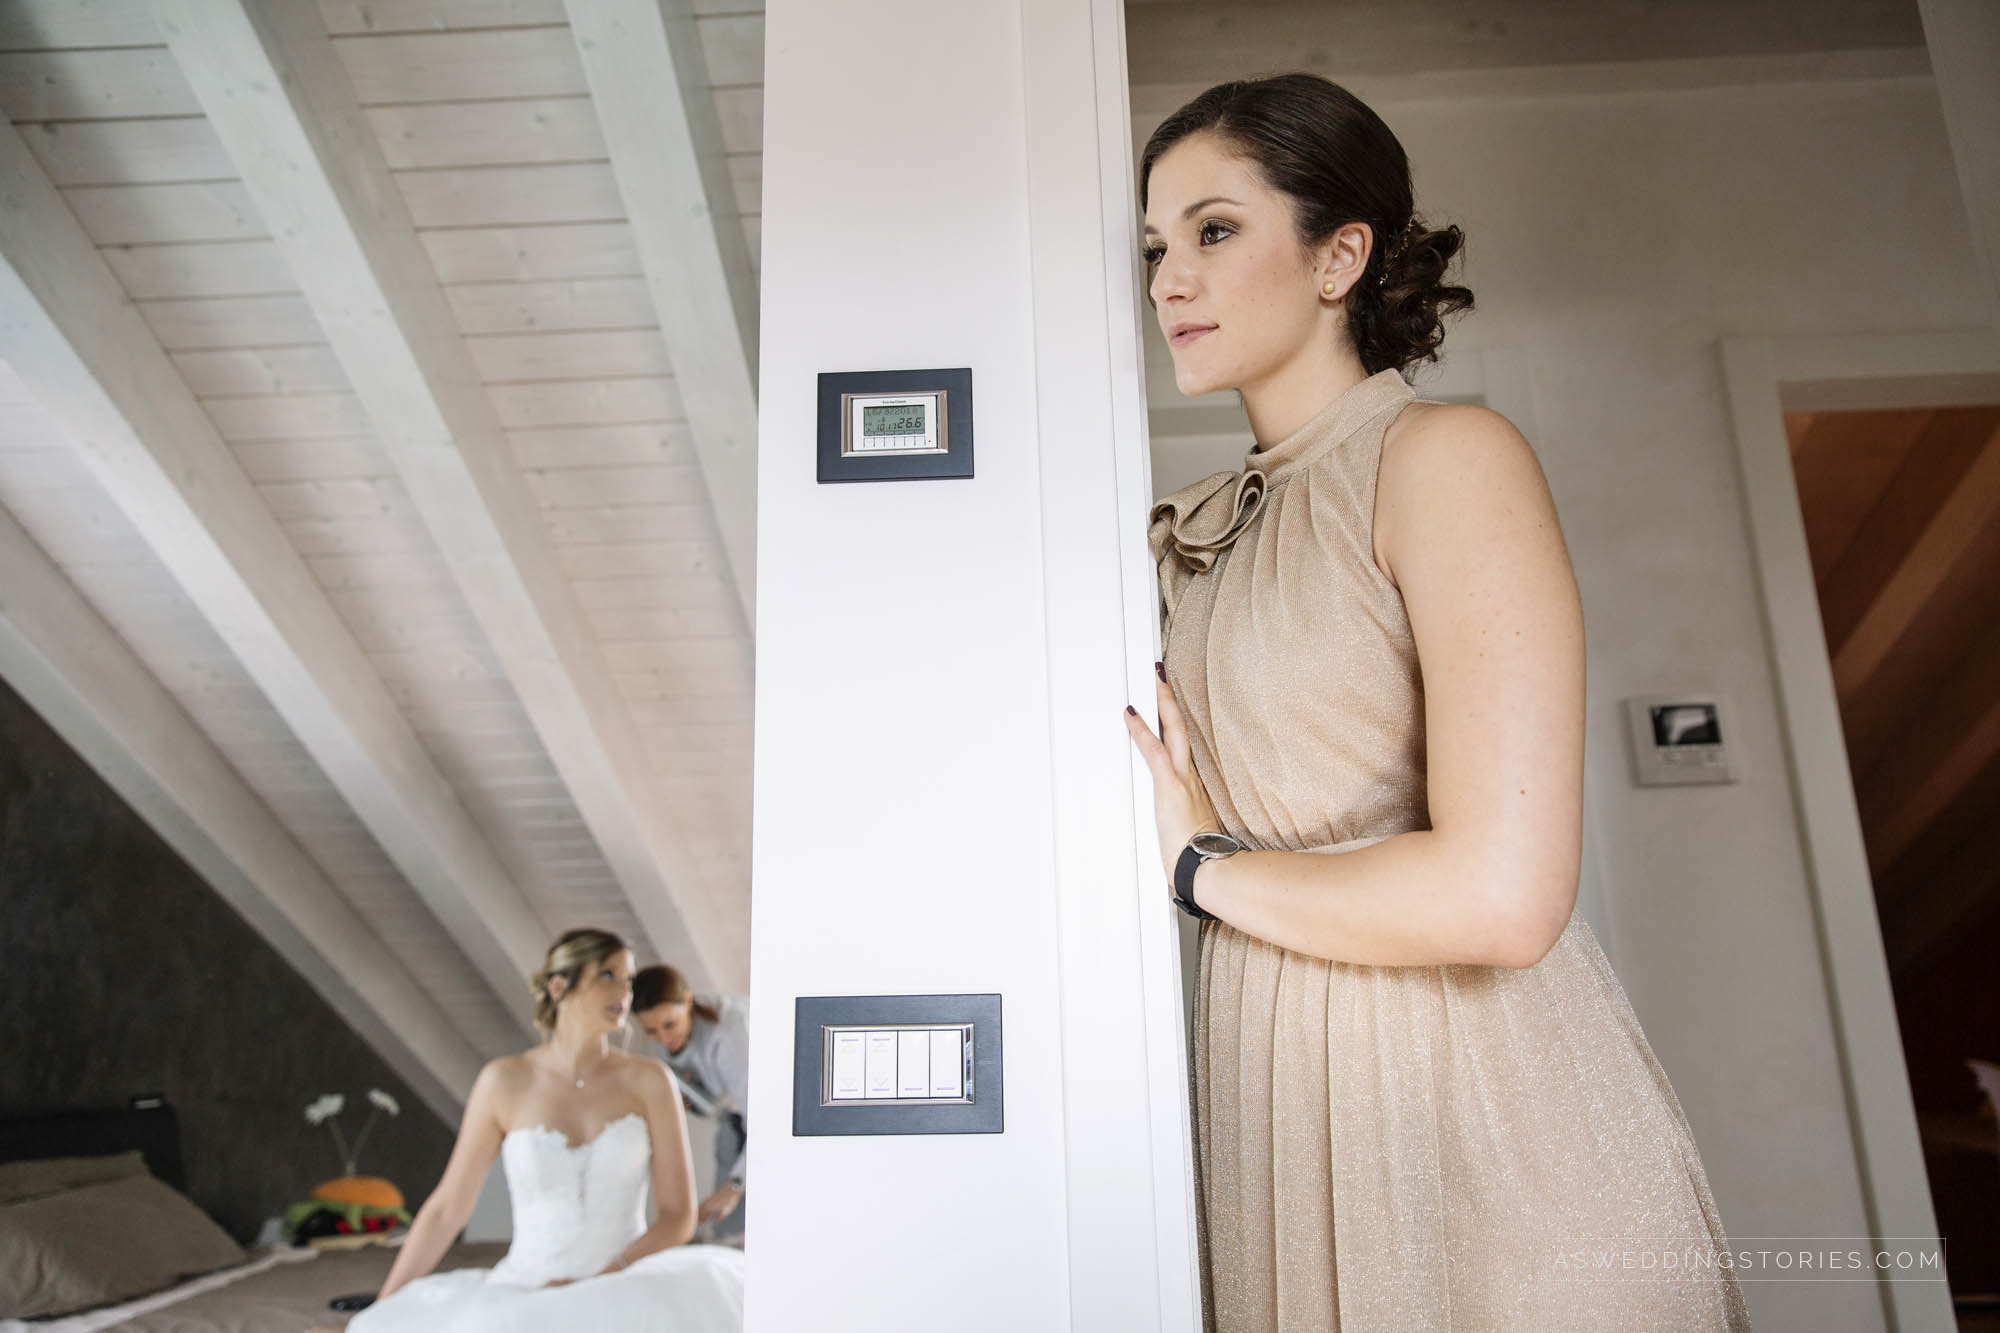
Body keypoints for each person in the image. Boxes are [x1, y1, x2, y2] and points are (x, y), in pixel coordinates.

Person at [1122, 74, 1750, 1330]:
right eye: (1151, 248)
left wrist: (1197, 869)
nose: (1163, 284)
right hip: (1279, 1089)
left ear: (1338, 254)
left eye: (1212, 230)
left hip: (1469, 1098)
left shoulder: (1446, 460)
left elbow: (1504, 896)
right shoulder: (1202, 528)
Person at [319, 929, 744, 1333]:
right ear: (559, 986)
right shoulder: (502, 1081)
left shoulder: (651, 1080)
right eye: (608, 976)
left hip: (622, 1282)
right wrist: (378, 1315)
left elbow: (678, 1218)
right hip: (526, 1284)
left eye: (629, 979)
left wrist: (598, 1280)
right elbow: (447, 1209)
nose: (623, 993)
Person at [632, 965, 749, 1245]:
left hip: (769, 1119)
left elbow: (764, 1121)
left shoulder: (732, 1032)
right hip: (732, 1118)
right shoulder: (665, 1037)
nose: (662, 1038)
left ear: (687, 1001)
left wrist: (734, 1188)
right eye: (651, 1031)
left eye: (669, 1025)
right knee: (725, 1227)